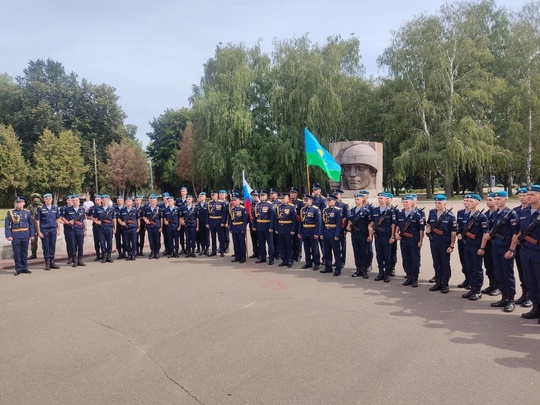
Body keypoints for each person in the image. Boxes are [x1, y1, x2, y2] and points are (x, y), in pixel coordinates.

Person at [509, 185, 540, 323]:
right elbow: (518, 230)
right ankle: (536, 308)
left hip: (538, 253)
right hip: (525, 252)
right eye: (527, 194)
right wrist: (516, 238)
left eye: (532, 195)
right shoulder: (522, 212)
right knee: (530, 282)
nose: (528, 197)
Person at [488, 191, 519, 312]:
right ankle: (504, 298)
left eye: (499, 199)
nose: (496, 201)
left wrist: (511, 249)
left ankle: (511, 300)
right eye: (495, 199)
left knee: (508, 274)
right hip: (496, 247)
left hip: (506, 249)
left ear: (506, 199)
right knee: (499, 274)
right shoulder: (495, 213)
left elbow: (515, 234)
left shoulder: (511, 214)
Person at [460, 194, 489, 301]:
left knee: (477, 269)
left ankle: (477, 290)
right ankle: (472, 288)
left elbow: (485, 234)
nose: (468, 203)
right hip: (467, 245)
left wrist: (482, 248)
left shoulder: (482, 217)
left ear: (477, 202)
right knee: (469, 268)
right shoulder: (466, 216)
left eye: (471, 201)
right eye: (467, 201)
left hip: (476, 246)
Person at [425, 195, 456, 293]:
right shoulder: (432, 213)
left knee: (445, 263)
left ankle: (445, 284)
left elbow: (453, 232)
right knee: (436, 263)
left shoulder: (450, 216)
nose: (437, 205)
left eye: (439, 203)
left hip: (444, 243)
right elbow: (428, 223)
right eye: (436, 203)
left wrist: (451, 245)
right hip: (434, 241)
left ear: (445, 203)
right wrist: (427, 228)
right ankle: (438, 282)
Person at [395, 195, 425, 287]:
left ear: (412, 203)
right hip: (404, 240)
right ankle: (408, 277)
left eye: (407, 202)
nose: (405, 204)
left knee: (415, 259)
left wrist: (420, 241)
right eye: (403, 202)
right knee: (406, 259)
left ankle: (415, 278)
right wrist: (396, 233)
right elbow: (397, 225)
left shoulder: (417, 215)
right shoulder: (400, 214)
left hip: (414, 240)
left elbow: (421, 229)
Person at [369, 192, 396, 282]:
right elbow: (372, 221)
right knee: (379, 255)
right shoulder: (375, 210)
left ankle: (386, 273)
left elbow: (393, 224)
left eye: (381, 198)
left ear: (386, 199)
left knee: (387, 255)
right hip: (378, 236)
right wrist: (369, 227)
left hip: (386, 236)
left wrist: (392, 236)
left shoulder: (391, 211)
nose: (380, 200)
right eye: (379, 198)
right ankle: (380, 272)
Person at [5, 197, 35, 275]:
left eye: (20, 202)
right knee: (17, 252)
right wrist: (8, 235)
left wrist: (32, 234)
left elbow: (31, 224)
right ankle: (18, 268)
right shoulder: (11, 212)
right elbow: (7, 225)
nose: (18, 203)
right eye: (17, 202)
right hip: (15, 234)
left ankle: (25, 268)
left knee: (24, 252)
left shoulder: (27, 212)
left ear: (24, 203)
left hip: (25, 234)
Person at [514, 188, 533, 307]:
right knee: (522, 272)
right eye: (520, 195)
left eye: (525, 195)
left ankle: (531, 297)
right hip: (519, 246)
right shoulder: (515, 211)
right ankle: (524, 293)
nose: (522, 197)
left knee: (531, 275)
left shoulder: (532, 211)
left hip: (530, 246)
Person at [348, 192, 372, 278]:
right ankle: (358, 269)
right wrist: (348, 226)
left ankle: (364, 270)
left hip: (363, 235)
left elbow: (369, 224)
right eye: (355, 199)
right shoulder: (352, 210)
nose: (356, 201)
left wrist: (370, 235)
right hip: (354, 235)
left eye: (358, 199)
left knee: (364, 253)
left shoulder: (366, 211)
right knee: (356, 252)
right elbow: (350, 220)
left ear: (362, 200)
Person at [36, 193, 61, 270]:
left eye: (50, 198)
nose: (48, 200)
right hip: (44, 229)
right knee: (46, 246)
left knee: (52, 245)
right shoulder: (40, 208)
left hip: (53, 229)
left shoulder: (55, 208)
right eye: (46, 199)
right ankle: (47, 262)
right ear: (44, 200)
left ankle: (52, 262)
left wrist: (59, 229)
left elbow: (57, 219)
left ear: (52, 199)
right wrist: (39, 232)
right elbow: (37, 221)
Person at [481, 193, 500, 295]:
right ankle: (491, 284)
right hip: (487, 244)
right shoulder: (485, 214)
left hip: (496, 244)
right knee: (488, 265)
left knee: (497, 266)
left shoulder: (500, 214)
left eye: (490, 200)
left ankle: (498, 286)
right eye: (487, 200)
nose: (488, 202)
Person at [320, 194, 343, 276]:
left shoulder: (338, 210)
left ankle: (338, 269)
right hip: (326, 232)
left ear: (334, 201)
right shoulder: (325, 210)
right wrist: (321, 233)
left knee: (336, 252)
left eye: (330, 200)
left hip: (333, 233)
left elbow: (339, 224)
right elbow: (322, 223)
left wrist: (337, 235)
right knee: (327, 251)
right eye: (328, 200)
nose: (329, 202)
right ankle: (328, 267)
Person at [298, 194, 322, 271]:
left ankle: (316, 263)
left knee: (315, 248)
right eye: (304, 200)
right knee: (306, 248)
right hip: (305, 231)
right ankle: (308, 262)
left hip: (312, 231)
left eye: (307, 200)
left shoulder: (316, 209)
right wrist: (299, 232)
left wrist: (317, 233)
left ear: (311, 201)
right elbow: (301, 222)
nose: (305, 202)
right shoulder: (303, 209)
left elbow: (318, 223)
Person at [63, 194, 87, 267]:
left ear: (79, 201)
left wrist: (85, 229)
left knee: (80, 245)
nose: (75, 202)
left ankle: (80, 259)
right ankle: (75, 260)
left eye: (76, 200)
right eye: (73, 200)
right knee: (72, 245)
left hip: (80, 229)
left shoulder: (82, 209)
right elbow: (62, 218)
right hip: (71, 230)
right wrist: (68, 222)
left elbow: (84, 220)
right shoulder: (67, 210)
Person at [254, 190, 276, 265]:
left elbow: (273, 216)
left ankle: (271, 258)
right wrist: (254, 225)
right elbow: (255, 216)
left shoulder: (270, 205)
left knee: (270, 243)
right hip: (259, 226)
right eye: (261, 195)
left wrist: (271, 227)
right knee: (261, 243)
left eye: (263, 195)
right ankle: (262, 257)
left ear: (266, 196)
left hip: (267, 226)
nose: (262, 196)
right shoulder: (257, 205)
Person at [276, 193, 297, 268]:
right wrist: (276, 228)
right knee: (282, 246)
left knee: (289, 245)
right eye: (281, 199)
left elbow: (294, 220)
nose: (282, 200)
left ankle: (290, 260)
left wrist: (293, 229)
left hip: (288, 228)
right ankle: (284, 260)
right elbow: (277, 219)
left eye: (284, 198)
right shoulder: (279, 207)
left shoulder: (291, 207)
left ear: (288, 199)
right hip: (280, 228)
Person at [228, 195, 249, 263]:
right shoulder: (232, 209)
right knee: (235, 243)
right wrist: (230, 228)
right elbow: (230, 219)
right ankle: (237, 256)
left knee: (241, 243)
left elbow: (245, 220)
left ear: (238, 201)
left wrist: (243, 228)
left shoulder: (243, 208)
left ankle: (243, 258)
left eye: (235, 200)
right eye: (233, 200)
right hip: (234, 228)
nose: (233, 202)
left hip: (240, 227)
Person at [118, 196, 140, 261]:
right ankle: (129, 254)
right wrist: (121, 223)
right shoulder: (122, 210)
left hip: (133, 228)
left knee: (134, 242)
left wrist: (139, 227)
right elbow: (118, 218)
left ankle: (133, 254)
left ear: (132, 202)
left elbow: (138, 219)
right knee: (126, 242)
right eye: (127, 201)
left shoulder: (135, 210)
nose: (127, 202)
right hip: (125, 228)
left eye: (129, 201)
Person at [456, 196, 471, 289]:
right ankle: (467, 278)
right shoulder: (460, 212)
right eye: (465, 200)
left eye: (468, 201)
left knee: (470, 262)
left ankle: (472, 281)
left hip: (470, 240)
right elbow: (458, 225)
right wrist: (458, 233)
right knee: (463, 260)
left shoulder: (474, 214)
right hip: (461, 239)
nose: (466, 202)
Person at [207, 190, 227, 257]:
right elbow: (207, 214)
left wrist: (223, 222)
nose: (213, 196)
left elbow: (224, 214)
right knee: (213, 237)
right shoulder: (209, 203)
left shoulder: (221, 203)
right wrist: (207, 223)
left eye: (214, 195)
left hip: (219, 222)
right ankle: (213, 251)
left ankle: (222, 251)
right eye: (212, 195)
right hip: (212, 222)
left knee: (221, 237)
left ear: (217, 195)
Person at [143, 194, 162, 259]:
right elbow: (144, 216)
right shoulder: (147, 209)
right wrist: (146, 221)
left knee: (157, 240)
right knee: (151, 240)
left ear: (156, 201)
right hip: (150, 227)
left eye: (153, 200)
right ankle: (152, 252)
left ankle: (157, 252)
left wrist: (161, 227)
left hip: (157, 227)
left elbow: (161, 218)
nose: (152, 202)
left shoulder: (159, 209)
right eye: (151, 200)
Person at [99, 195, 116, 263]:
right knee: (102, 243)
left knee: (109, 242)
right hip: (101, 228)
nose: (104, 201)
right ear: (101, 201)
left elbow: (114, 219)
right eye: (103, 200)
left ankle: (109, 256)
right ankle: (104, 256)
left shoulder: (111, 209)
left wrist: (115, 228)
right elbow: (92, 217)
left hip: (109, 227)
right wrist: (96, 221)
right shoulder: (98, 209)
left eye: (106, 200)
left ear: (108, 201)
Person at [289, 187, 303, 262]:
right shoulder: (288, 201)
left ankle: (298, 255)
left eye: (293, 193)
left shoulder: (300, 202)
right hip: (290, 224)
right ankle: (293, 255)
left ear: (296, 194)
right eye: (290, 193)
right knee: (292, 240)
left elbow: (301, 214)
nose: (291, 194)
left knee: (298, 241)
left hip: (297, 224)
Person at [89, 195, 104, 261]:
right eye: (95, 200)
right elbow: (88, 216)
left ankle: (104, 254)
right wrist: (94, 220)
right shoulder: (92, 208)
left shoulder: (103, 207)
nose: (96, 201)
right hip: (95, 226)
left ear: (101, 200)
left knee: (102, 241)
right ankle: (98, 255)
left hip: (103, 226)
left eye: (98, 200)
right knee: (96, 241)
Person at [61, 195, 75, 264]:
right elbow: (60, 218)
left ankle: (74, 256)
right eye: (68, 200)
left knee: (75, 243)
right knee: (69, 243)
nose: (70, 201)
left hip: (75, 228)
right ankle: (70, 257)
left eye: (71, 200)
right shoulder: (64, 208)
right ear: (66, 201)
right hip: (67, 227)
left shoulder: (75, 208)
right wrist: (66, 222)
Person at [28, 193, 42, 260]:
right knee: (33, 241)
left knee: (44, 240)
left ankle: (46, 253)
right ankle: (34, 254)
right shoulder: (30, 207)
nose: (35, 199)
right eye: (34, 198)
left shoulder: (42, 206)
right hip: (33, 225)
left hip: (41, 225)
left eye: (37, 198)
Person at [176, 187, 188, 254]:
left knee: (187, 235)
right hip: (180, 220)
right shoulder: (178, 200)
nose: (182, 192)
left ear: (186, 192)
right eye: (181, 191)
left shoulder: (188, 199)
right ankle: (183, 248)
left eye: (184, 191)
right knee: (181, 235)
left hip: (186, 220)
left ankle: (187, 248)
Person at [248, 190, 260, 259]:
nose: (255, 197)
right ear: (252, 197)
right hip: (251, 224)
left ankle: (260, 253)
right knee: (254, 239)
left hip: (259, 225)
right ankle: (255, 252)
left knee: (260, 240)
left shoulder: (260, 204)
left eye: (256, 196)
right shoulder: (250, 205)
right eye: (254, 196)